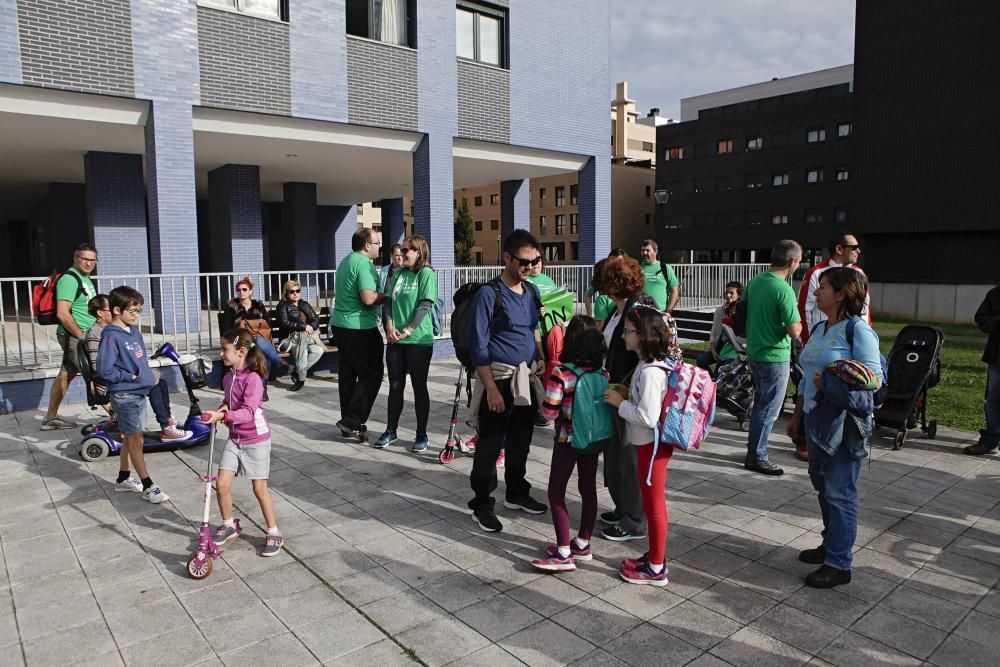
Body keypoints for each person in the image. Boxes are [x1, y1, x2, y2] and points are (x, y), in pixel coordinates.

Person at [787, 268, 882, 588]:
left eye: (823, 288)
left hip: (844, 424)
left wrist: (827, 381)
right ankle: (831, 544)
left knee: (841, 491)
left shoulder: (858, 331)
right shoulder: (819, 327)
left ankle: (839, 563)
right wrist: (797, 415)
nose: (816, 293)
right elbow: (806, 374)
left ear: (841, 294)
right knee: (823, 487)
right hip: (816, 419)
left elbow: (873, 379)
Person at [467, 229, 548, 533]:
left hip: (526, 377)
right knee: (490, 444)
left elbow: (534, 330)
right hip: (499, 378)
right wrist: (490, 389)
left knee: (520, 440)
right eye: (524, 262)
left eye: (535, 261)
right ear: (507, 258)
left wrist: (540, 356)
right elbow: (479, 346)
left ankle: (516, 492)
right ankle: (481, 503)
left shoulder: (532, 292)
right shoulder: (489, 294)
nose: (529, 267)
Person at [603, 303, 678, 586]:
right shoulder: (646, 366)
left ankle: (656, 568)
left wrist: (621, 404)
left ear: (643, 335)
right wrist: (627, 395)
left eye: (629, 331)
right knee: (651, 503)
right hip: (648, 445)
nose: (624, 335)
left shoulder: (649, 372)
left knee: (654, 507)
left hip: (651, 447)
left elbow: (647, 416)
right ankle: (654, 556)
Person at [531, 316, 608, 573]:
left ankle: (563, 551)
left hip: (567, 439)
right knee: (588, 488)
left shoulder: (562, 373)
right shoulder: (603, 373)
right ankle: (583, 543)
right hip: (593, 439)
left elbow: (550, 413)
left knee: (556, 492)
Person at [202, 329, 283, 557]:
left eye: (225, 349)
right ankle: (229, 524)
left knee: (259, 489)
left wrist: (224, 417)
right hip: (235, 439)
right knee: (222, 484)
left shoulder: (254, 379)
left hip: (256, 440)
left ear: (241, 352)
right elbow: (228, 402)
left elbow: (247, 413)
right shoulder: (228, 377)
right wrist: (219, 411)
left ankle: (273, 530)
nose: (221, 353)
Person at [96, 286, 168, 503]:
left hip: (138, 393)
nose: (137, 315)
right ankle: (148, 485)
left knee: (130, 436)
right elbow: (104, 369)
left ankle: (123, 478)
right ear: (117, 310)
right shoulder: (110, 336)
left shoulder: (133, 331)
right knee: (136, 439)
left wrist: (143, 377)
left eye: (139, 310)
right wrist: (131, 377)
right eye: (133, 311)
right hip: (124, 395)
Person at [86, 295, 190, 442]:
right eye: (108, 309)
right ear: (100, 313)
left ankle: (167, 418)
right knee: (153, 387)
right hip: (110, 383)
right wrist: (130, 375)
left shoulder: (122, 331)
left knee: (161, 383)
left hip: (125, 377)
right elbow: (98, 366)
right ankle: (166, 426)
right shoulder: (98, 334)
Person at [599, 256, 652, 542]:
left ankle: (634, 520)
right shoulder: (618, 310)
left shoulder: (638, 309)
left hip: (630, 396)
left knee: (629, 461)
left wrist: (627, 390)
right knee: (616, 458)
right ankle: (623, 508)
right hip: (616, 392)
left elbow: (651, 350)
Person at [742, 240, 803, 476]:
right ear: (792, 261)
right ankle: (757, 456)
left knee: (760, 405)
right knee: (768, 409)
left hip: (755, 351)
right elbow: (795, 330)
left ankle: (753, 451)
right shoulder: (783, 289)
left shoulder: (756, 282)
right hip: (774, 356)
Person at [374, 235, 438, 453]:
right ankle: (391, 430)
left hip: (418, 341)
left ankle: (422, 434)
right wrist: (389, 328)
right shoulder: (398, 273)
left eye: (408, 249)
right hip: (395, 340)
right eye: (402, 249)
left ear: (419, 252)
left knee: (419, 387)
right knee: (395, 385)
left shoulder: (426, 273)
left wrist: (408, 330)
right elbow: (388, 303)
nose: (403, 253)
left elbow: (425, 305)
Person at [331, 229, 386, 439]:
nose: (379, 246)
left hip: (341, 325)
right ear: (366, 246)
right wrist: (387, 297)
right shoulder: (363, 264)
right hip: (359, 328)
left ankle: (348, 422)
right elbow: (368, 298)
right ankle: (352, 420)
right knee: (372, 374)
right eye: (377, 243)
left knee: (348, 376)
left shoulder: (346, 261)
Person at [42, 243, 98, 430]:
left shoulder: (85, 278)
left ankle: (50, 418)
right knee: (95, 373)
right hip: (74, 335)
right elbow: (62, 313)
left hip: (79, 335)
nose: (89, 263)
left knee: (66, 374)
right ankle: (118, 416)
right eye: (85, 259)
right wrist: (82, 336)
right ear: (75, 258)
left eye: (92, 260)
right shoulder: (70, 279)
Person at [797, 233, 869, 343]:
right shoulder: (815, 273)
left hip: (853, 340)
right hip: (822, 341)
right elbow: (804, 309)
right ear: (839, 249)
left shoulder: (859, 273)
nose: (858, 251)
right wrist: (809, 342)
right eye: (854, 248)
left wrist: (865, 337)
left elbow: (865, 309)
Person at [220, 277, 286, 388]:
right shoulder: (232, 306)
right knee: (259, 343)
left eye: (244, 289)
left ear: (250, 291)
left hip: (258, 340)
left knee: (261, 351)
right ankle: (278, 362)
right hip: (240, 340)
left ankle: (262, 386)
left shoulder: (258, 305)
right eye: (239, 290)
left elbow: (267, 324)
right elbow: (226, 328)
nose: (241, 292)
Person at [966, 283, 1000, 455]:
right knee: (993, 401)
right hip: (997, 358)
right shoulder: (995, 294)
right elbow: (981, 319)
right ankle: (991, 440)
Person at [275, 280, 325, 392]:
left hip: (307, 338)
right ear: (286, 293)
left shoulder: (304, 304)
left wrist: (311, 326)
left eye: (297, 291)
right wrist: (303, 327)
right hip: (289, 339)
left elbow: (315, 319)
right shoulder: (282, 306)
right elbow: (284, 323)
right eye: (291, 291)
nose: (295, 293)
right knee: (303, 350)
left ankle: (297, 372)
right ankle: (301, 380)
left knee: (318, 350)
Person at [696, 281, 743, 376]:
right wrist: (713, 349)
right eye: (726, 292)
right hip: (719, 348)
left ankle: (716, 382)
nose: (728, 295)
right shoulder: (720, 311)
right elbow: (713, 331)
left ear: (738, 295)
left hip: (734, 350)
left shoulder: (742, 312)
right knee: (701, 361)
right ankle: (711, 380)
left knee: (720, 371)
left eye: (731, 293)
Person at [639, 239, 680, 313]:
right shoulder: (637, 269)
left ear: (655, 252)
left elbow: (675, 291)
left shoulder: (665, 268)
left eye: (647, 250)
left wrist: (668, 312)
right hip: (641, 314)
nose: (644, 253)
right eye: (642, 250)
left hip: (660, 314)